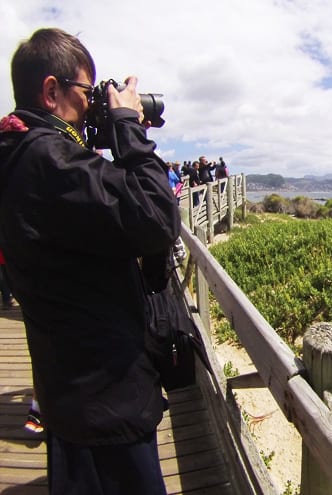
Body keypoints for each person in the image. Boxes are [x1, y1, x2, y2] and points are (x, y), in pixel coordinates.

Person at [0, 28, 180, 494]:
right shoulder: (49, 160)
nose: (93, 103)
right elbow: (158, 216)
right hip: (105, 404)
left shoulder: (21, 153)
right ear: (52, 91)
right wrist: (128, 127)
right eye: (88, 92)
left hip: (69, 391)